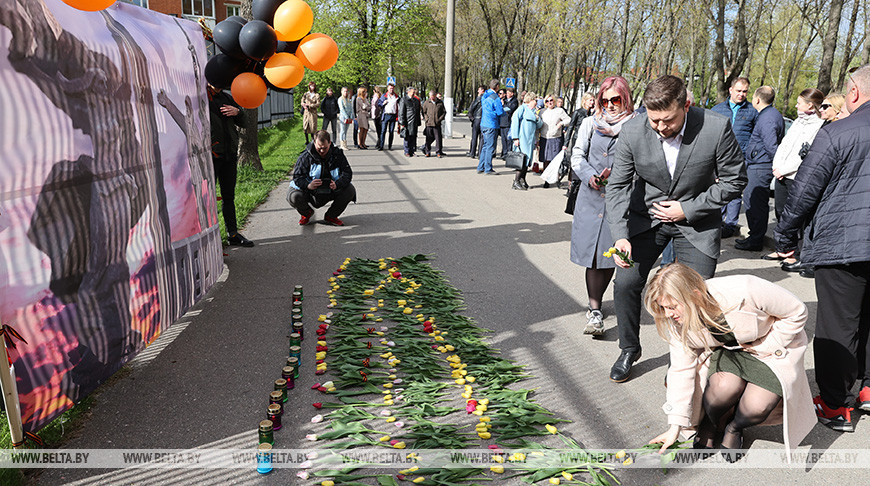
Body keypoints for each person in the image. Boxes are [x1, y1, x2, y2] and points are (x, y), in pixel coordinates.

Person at [605, 75, 746, 383]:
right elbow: (617, 186)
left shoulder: (715, 127)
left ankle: (681, 359)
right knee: (626, 283)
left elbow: (736, 181)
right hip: (647, 220)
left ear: (686, 105)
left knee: (694, 295)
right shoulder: (632, 130)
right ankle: (629, 348)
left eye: (667, 120)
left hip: (696, 224)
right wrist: (620, 234)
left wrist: (689, 208)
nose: (659, 127)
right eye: (654, 120)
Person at [774, 64, 870, 432]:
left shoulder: (837, 133)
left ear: (854, 93)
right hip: (847, 242)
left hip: (843, 244)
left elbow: (804, 190)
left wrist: (785, 236)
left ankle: (835, 404)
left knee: (837, 324)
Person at [645, 264, 814, 458]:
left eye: (672, 307)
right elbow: (680, 369)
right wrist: (675, 427)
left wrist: (769, 345)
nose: (668, 314)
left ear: (695, 295)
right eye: (663, 308)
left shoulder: (745, 289)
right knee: (722, 389)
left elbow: (797, 311)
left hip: (769, 347)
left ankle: (734, 427)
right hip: (728, 351)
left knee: (756, 408)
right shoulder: (677, 322)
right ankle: (710, 421)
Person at [569, 76, 635, 335]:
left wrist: (619, 177)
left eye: (615, 100)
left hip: (623, 199)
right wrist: (590, 176)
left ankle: (610, 300)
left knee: (614, 253)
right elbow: (576, 155)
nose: (609, 105)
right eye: (604, 100)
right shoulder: (589, 123)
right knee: (594, 255)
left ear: (625, 99)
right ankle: (594, 309)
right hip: (591, 195)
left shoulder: (636, 125)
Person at [766, 88, 825, 275]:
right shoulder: (798, 122)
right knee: (780, 211)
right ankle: (783, 248)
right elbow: (785, 145)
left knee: (794, 216)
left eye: (799, 103)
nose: (796, 106)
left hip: (794, 175)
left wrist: (784, 169)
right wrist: (777, 165)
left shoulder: (818, 125)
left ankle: (793, 252)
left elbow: (804, 154)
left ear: (810, 105)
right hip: (781, 172)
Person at [733, 86, 784, 252]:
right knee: (753, 201)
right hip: (759, 164)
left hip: (760, 166)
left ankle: (755, 241)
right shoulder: (769, 115)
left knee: (755, 203)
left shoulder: (767, 118)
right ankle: (754, 237)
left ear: (756, 99)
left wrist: (776, 165)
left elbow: (771, 145)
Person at [208, 85, 253, 247]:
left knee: (228, 196)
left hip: (230, 154)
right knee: (208, 198)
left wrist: (238, 112)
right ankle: (210, 238)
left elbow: (245, 123)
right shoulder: (201, 98)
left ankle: (232, 234)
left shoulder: (227, 98)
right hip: (211, 156)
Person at [712, 77, 757, 238]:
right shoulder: (717, 110)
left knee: (735, 192)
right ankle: (716, 222)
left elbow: (756, 136)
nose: (741, 94)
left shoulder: (752, 111)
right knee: (717, 190)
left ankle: (730, 225)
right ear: (730, 90)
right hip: (719, 157)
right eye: (738, 91)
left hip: (740, 158)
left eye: (745, 91)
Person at [286, 130, 356, 226]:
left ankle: (331, 216)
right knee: (293, 196)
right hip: (310, 192)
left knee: (350, 190)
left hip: (331, 189)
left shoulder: (337, 154)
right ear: (314, 143)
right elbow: (297, 177)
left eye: (325, 148)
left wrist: (337, 184)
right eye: (319, 148)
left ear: (330, 143)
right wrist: (308, 185)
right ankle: (306, 213)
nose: (322, 151)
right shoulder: (305, 157)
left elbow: (347, 173)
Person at [509, 91, 543, 189]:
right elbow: (514, 121)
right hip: (522, 139)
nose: (536, 102)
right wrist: (515, 138)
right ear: (530, 100)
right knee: (521, 161)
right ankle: (516, 181)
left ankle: (522, 180)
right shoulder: (522, 109)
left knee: (527, 162)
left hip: (530, 141)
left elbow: (539, 125)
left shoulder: (533, 112)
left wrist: (537, 118)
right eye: (535, 100)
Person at [538, 94, 571, 188]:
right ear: (545, 102)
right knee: (545, 159)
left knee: (555, 160)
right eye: (547, 101)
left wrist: (561, 123)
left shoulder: (559, 111)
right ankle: (546, 179)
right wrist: (537, 138)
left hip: (556, 138)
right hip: (545, 137)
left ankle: (556, 178)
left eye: (551, 100)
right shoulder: (542, 112)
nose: (550, 103)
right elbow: (538, 124)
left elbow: (569, 120)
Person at [478, 79, 505, 175]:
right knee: (490, 147)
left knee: (485, 146)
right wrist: (503, 107)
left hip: (483, 123)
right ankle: (488, 168)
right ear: (497, 86)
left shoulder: (484, 95)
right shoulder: (496, 98)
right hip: (491, 124)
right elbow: (500, 112)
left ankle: (481, 166)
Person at [398, 87, 422, 157]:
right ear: (408, 92)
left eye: (414, 92)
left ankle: (412, 151)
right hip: (407, 121)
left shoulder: (416, 100)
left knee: (413, 136)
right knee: (407, 137)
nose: (414, 93)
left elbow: (417, 111)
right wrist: (402, 122)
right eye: (412, 92)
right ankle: (407, 151)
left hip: (414, 121)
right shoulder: (404, 100)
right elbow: (401, 112)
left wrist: (418, 121)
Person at [422, 89, 446, 157]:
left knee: (438, 139)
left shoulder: (440, 103)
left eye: (433, 96)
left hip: (437, 124)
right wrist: (426, 119)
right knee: (428, 138)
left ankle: (438, 152)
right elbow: (424, 112)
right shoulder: (427, 103)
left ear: (435, 96)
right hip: (429, 124)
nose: (432, 98)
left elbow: (444, 112)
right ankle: (427, 152)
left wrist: (439, 119)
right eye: (430, 96)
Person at [378, 84, 400, 150]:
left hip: (393, 115)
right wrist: (383, 103)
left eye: (392, 88)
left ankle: (390, 146)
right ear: (387, 88)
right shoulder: (384, 96)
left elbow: (400, 104)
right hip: (386, 115)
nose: (391, 90)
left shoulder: (396, 96)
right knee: (383, 131)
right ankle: (381, 146)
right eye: (390, 88)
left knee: (391, 131)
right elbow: (379, 104)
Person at [466, 86, 485, 158]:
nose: (478, 91)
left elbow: (472, 108)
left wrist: (472, 118)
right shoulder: (486, 99)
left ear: (482, 90)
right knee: (482, 138)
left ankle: (472, 152)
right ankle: (480, 154)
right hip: (483, 120)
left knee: (474, 137)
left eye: (479, 90)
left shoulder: (478, 99)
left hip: (477, 120)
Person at [500, 88, 519, 158]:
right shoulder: (504, 100)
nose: (507, 95)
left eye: (508, 93)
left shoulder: (514, 101)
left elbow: (509, 110)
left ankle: (508, 153)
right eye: (506, 93)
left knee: (508, 140)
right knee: (503, 140)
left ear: (512, 93)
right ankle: (504, 153)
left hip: (508, 122)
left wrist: (503, 105)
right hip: (502, 122)